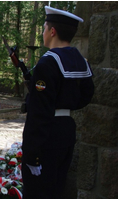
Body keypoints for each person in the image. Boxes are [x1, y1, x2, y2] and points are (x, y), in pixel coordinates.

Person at [21, 6, 95, 199]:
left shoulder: (48, 62)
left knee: (37, 192)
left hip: (47, 135)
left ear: (52, 31)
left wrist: (31, 155)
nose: (43, 33)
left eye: (44, 28)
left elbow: (39, 113)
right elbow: (87, 95)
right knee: (56, 190)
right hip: (66, 129)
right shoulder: (79, 60)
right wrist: (65, 103)